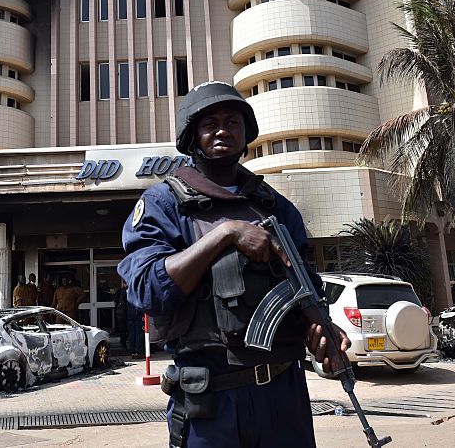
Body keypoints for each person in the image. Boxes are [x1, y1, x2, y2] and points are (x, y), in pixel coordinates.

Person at [118, 81, 350, 447]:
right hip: (211, 402)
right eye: (210, 124)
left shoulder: (276, 206)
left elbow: (305, 283)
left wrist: (321, 329)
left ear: (245, 133)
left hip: (284, 396)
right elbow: (147, 289)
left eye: (232, 122)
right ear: (192, 137)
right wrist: (226, 234)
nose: (223, 131)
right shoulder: (164, 204)